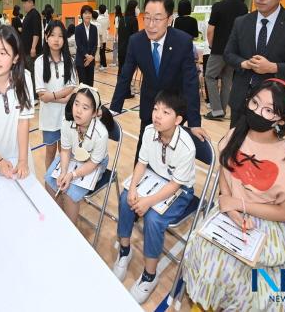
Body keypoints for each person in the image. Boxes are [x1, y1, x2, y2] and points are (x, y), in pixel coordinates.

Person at [182, 78, 285, 311]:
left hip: (265, 224)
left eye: (268, 110)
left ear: (282, 120)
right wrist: (230, 205)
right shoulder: (236, 134)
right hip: (228, 212)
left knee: (248, 282)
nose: (257, 112)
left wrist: (239, 204)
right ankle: (205, 303)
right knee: (202, 253)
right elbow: (224, 170)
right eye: (254, 103)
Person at [113, 90, 196, 303]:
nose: (157, 115)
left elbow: (177, 183)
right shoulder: (149, 131)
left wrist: (148, 201)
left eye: (165, 112)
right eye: (155, 109)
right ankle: (124, 251)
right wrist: (132, 189)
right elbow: (141, 163)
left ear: (178, 119)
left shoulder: (187, 146)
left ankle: (150, 275)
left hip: (180, 189)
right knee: (125, 198)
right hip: (154, 178)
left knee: (153, 218)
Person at [111, 0, 207, 164]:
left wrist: (194, 122)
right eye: (147, 17)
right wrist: (114, 109)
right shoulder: (136, 41)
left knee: (170, 159)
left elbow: (191, 83)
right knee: (143, 156)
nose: (150, 25)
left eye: (157, 18)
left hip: (174, 110)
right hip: (149, 106)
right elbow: (125, 76)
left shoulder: (182, 42)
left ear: (169, 20)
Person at [44, 85, 115, 224]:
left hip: (94, 163)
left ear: (94, 113)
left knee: (70, 194)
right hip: (72, 156)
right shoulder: (67, 122)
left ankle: (70, 229)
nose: (78, 111)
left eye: (85, 107)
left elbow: (94, 163)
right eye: (76, 104)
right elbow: (65, 150)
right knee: (50, 181)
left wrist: (72, 175)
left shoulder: (101, 134)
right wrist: (64, 172)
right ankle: (60, 221)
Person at [0, 25, 35, 178]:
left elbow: (23, 121)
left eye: (3, 53)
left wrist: (22, 160)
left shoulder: (24, 78)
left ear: (16, 57)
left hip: (20, 157)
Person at [203, 0, 248, 121]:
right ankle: (221, 109)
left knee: (210, 76)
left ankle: (216, 110)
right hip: (234, 51)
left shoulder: (218, 6)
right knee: (227, 79)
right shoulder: (243, 7)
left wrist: (211, 44)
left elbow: (210, 30)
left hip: (219, 49)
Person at [34, 20, 77, 171]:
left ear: (64, 39)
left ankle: (64, 179)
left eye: (60, 36)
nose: (56, 39)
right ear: (46, 37)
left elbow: (72, 86)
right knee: (50, 152)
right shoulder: (40, 62)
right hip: (49, 118)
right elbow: (41, 94)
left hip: (67, 117)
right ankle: (49, 182)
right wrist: (62, 98)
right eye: (52, 35)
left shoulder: (69, 61)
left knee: (66, 152)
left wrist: (51, 96)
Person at [20, 0, 42, 93]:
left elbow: (36, 33)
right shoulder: (28, 15)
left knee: (33, 73)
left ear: (30, 2)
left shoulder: (34, 14)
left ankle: (35, 96)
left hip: (32, 51)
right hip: (26, 51)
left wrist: (33, 48)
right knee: (29, 73)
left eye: (24, 3)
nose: (23, 5)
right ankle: (31, 94)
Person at [117, 0, 139, 98]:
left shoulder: (122, 19)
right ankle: (126, 92)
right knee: (128, 71)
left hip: (121, 49)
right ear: (133, 8)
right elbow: (135, 37)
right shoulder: (134, 20)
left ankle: (120, 90)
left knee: (121, 70)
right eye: (137, 7)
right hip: (129, 51)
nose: (138, 9)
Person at [74, 5, 98, 86]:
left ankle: (90, 98)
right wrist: (87, 56)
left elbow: (95, 44)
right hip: (81, 61)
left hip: (91, 60)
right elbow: (79, 44)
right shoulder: (77, 28)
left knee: (90, 84)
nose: (88, 15)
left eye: (89, 13)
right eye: (85, 13)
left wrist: (91, 57)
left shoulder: (94, 28)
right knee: (83, 84)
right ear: (82, 15)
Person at [97, 4, 110, 71]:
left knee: (100, 52)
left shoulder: (98, 19)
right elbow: (108, 27)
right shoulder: (107, 19)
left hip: (100, 38)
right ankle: (103, 64)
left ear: (99, 10)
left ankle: (103, 65)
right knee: (103, 52)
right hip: (105, 37)